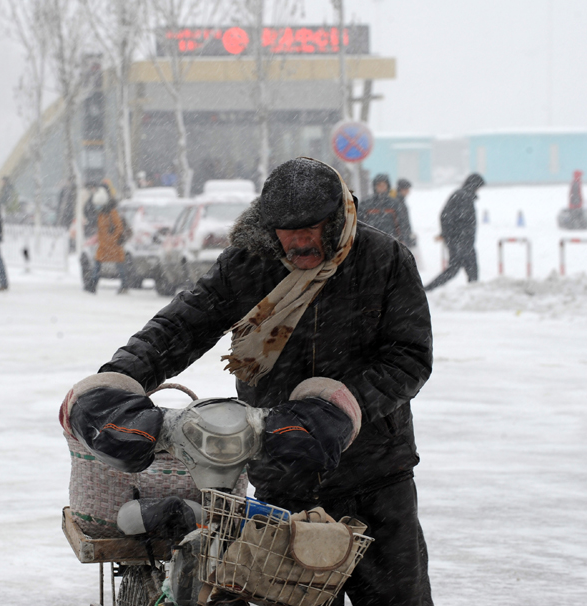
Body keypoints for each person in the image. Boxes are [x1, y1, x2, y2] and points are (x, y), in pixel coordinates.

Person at [60, 157, 434, 605]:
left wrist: (342, 406)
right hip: (282, 472)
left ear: (337, 218)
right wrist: (118, 378)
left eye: (310, 228)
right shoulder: (251, 262)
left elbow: (408, 357)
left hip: (376, 478)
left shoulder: (385, 260)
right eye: (285, 229)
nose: (296, 241)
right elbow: (183, 325)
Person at [424, 173, 485, 291]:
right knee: (457, 269)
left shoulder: (462, 195)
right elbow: (447, 216)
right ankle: (426, 289)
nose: (479, 190)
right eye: (478, 187)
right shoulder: (463, 196)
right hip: (460, 240)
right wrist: (452, 235)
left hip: (462, 240)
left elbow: (447, 215)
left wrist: (448, 234)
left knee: (468, 268)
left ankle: (474, 290)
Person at [83, 183, 128, 294]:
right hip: (104, 244)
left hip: (114, 244)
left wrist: (112, 239)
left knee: (119, 265)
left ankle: (124, 285)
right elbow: (101, 228)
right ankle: (93, 284)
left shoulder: (112, 213)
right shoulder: (101, 214)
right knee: (98, 263)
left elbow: (118, 227)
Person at [358, 174, 415, 246]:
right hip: (370, 243)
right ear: (374, 186)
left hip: (391, 242)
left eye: (384, 185)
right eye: (379, 185)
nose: (381, 187)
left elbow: (402, 223)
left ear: (388, 186)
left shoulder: (394, 204)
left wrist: (405, 239)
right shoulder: (366, 203)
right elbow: (359, 222)